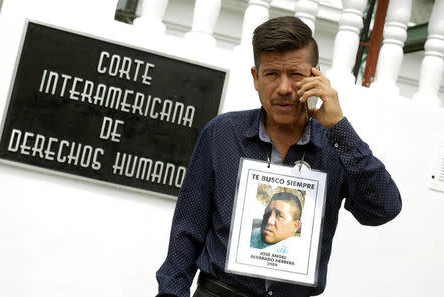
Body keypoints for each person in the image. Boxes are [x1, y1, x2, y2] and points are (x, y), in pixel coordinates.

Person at [156, 16, 401, 297]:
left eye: (295, 74)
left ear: (315, 76)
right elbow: (187, 229)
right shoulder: (223, 134)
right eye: (272, 74)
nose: (284, 88)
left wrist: (339, 128)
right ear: (256, 78)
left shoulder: (335, 146)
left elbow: (384, 208)